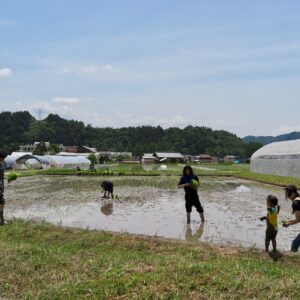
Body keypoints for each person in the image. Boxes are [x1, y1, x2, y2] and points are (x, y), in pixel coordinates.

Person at [282, 185, 300, 252]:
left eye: (289, 193)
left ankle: (294, 258)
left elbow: (298, 219)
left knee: (294, 244)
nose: (288, 195)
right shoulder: (299, 199)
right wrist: (288, 221)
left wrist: (288, 223)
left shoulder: (296, 203)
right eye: (287, 193)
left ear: (294, 193)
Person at [0, 150, 7, 225]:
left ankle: (2, 220)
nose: (3, 159)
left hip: (1, 186)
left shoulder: (1, 164)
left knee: (1, 202)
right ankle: (2, 220)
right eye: (2, 158)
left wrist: (6, 177)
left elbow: (1, 175)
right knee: (2, 201)